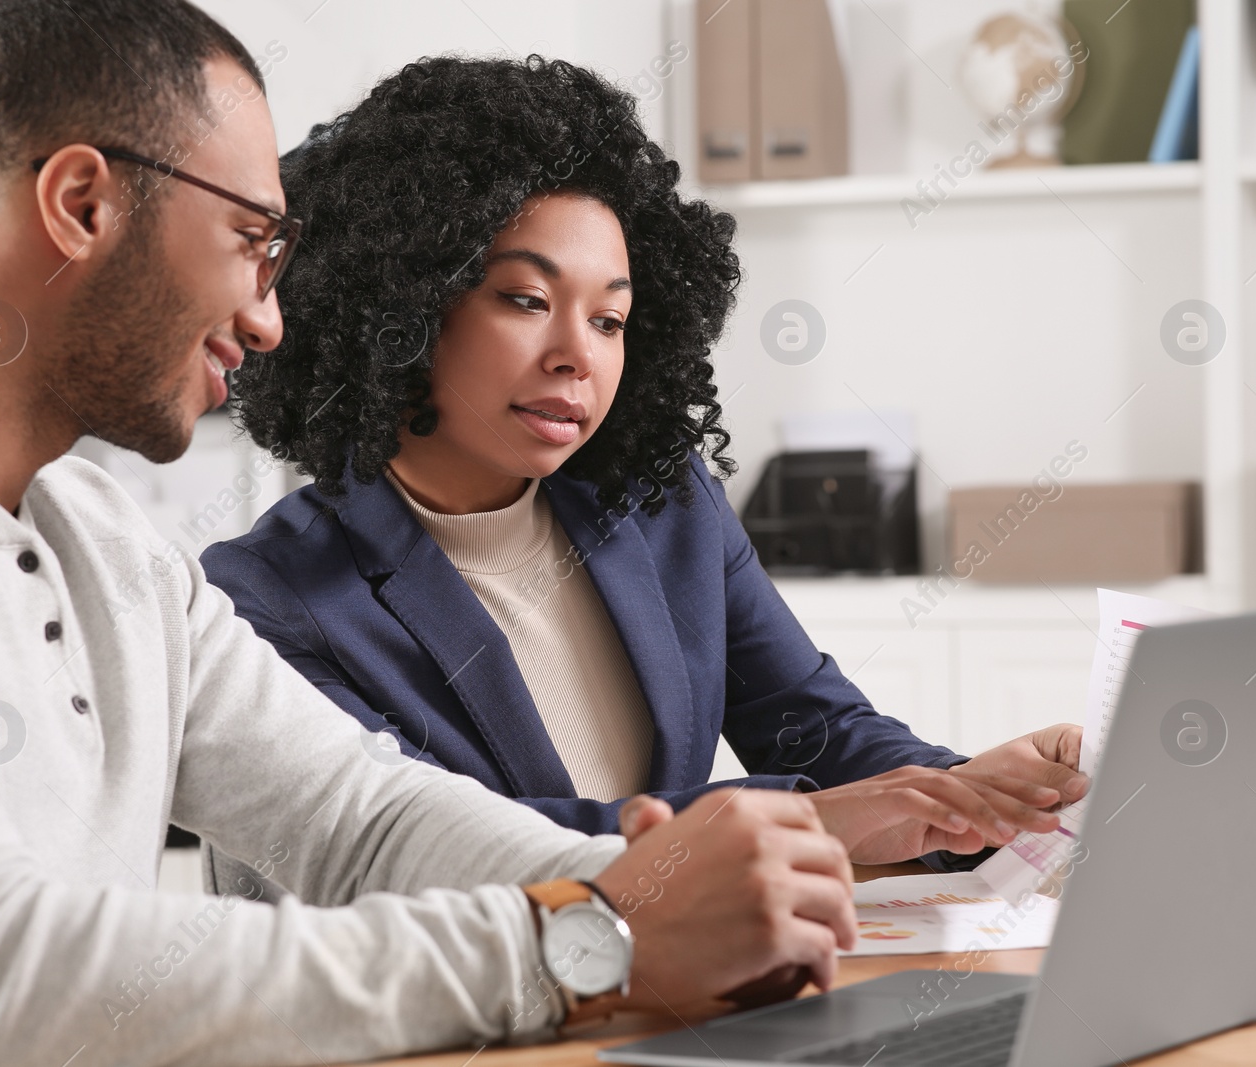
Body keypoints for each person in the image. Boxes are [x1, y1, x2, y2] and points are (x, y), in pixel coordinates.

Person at [0, 3, 926, 1063]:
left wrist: (656, 889)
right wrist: (588, 939)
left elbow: (361, 818)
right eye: (249, 239)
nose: (268, 315)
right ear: (84, 204)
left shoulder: (99, 535)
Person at [203, 54, 1087, 891]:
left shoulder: (662, 502)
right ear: (399, 304)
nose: (576, 357)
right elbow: (446, 849)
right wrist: (803, 823)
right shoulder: (269, 597)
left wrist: (980, 792)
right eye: (527, 300)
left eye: (611, 319)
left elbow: (816, 725)